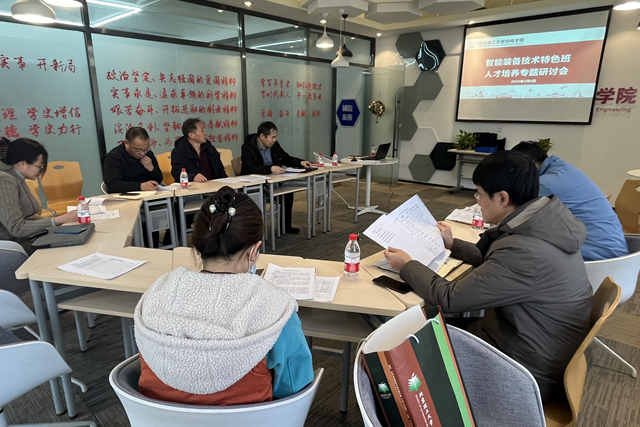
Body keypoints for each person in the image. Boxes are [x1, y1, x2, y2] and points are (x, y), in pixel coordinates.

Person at [383, 150, 593, 403]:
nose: (478, 203)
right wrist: (453, 244)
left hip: (525, 373)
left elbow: (449, 298)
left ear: (502, 198)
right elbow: (497, 262)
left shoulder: (524, 252)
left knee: (407, 341)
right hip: (537, 346)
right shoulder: (545, 225)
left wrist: (407, 265)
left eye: (480, 195)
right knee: (431, 326)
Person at [134, 186, 314, 405]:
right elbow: (295, 387)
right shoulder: (276, 310)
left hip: (158, 418)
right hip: (251, 419)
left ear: (197, 248)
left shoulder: (156, 294)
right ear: (254, 251)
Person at [511, 141, 628, 261]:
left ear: (526, 164)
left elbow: (512, 217)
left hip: (598, 258)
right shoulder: (562, 168)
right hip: (615, 253)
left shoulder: (545, 183)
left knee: (518, 249)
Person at [0, 138, 77, 253]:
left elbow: (27, 216)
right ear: (22, 163)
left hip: (26, 238)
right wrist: (57, 220)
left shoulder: (17, 177)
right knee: (71, 247)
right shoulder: (5, 180)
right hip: (13, 246)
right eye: (40, 167)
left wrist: (60, 221)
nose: (41, 171)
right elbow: (17, 228)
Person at [241, 121, 312, 234]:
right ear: (262, 136)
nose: (274, 140)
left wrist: (300, 162)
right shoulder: (248, 147)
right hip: (255, 185)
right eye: (272, 137)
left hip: (273, 182)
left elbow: (285, 158)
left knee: (288, 194)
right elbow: (249, 168)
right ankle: (255, 232)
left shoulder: (274, 145)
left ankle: (285, 226)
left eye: (275, 137)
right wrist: (270, 169)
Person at [102, 127, 163, 193]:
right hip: (126, 196)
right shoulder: (113, 158)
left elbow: (159, 180)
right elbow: (113, 186)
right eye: (138, 150)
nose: (143, 153)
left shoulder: (148, 154)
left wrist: (152, 169)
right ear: (126, 143)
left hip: (150, 195)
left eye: (146, 149)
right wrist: (140, 186)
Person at [171, 118, 227, 183]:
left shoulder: (209, 148)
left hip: (213, 185)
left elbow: (220, 170)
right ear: (191, 135)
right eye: (202, 130)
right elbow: (177, 174)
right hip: (192, 187)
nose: (205, 133)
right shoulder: (179, 152)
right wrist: (193, 177)